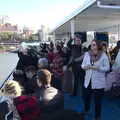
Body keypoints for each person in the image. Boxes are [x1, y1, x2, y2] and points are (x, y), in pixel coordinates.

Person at [81, 40, 110, 120]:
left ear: (98, 46)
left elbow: (107, 68)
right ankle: (86, 110)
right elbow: (82, 65)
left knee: (98, 100)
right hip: (88, 80)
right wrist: (85, 67)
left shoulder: (103, 55)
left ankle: (98, 116)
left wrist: (99, 68)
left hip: (98, 82)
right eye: (91, 45)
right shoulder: (87, 54)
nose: (92, 46)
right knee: (86, 97)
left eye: (94, 45)